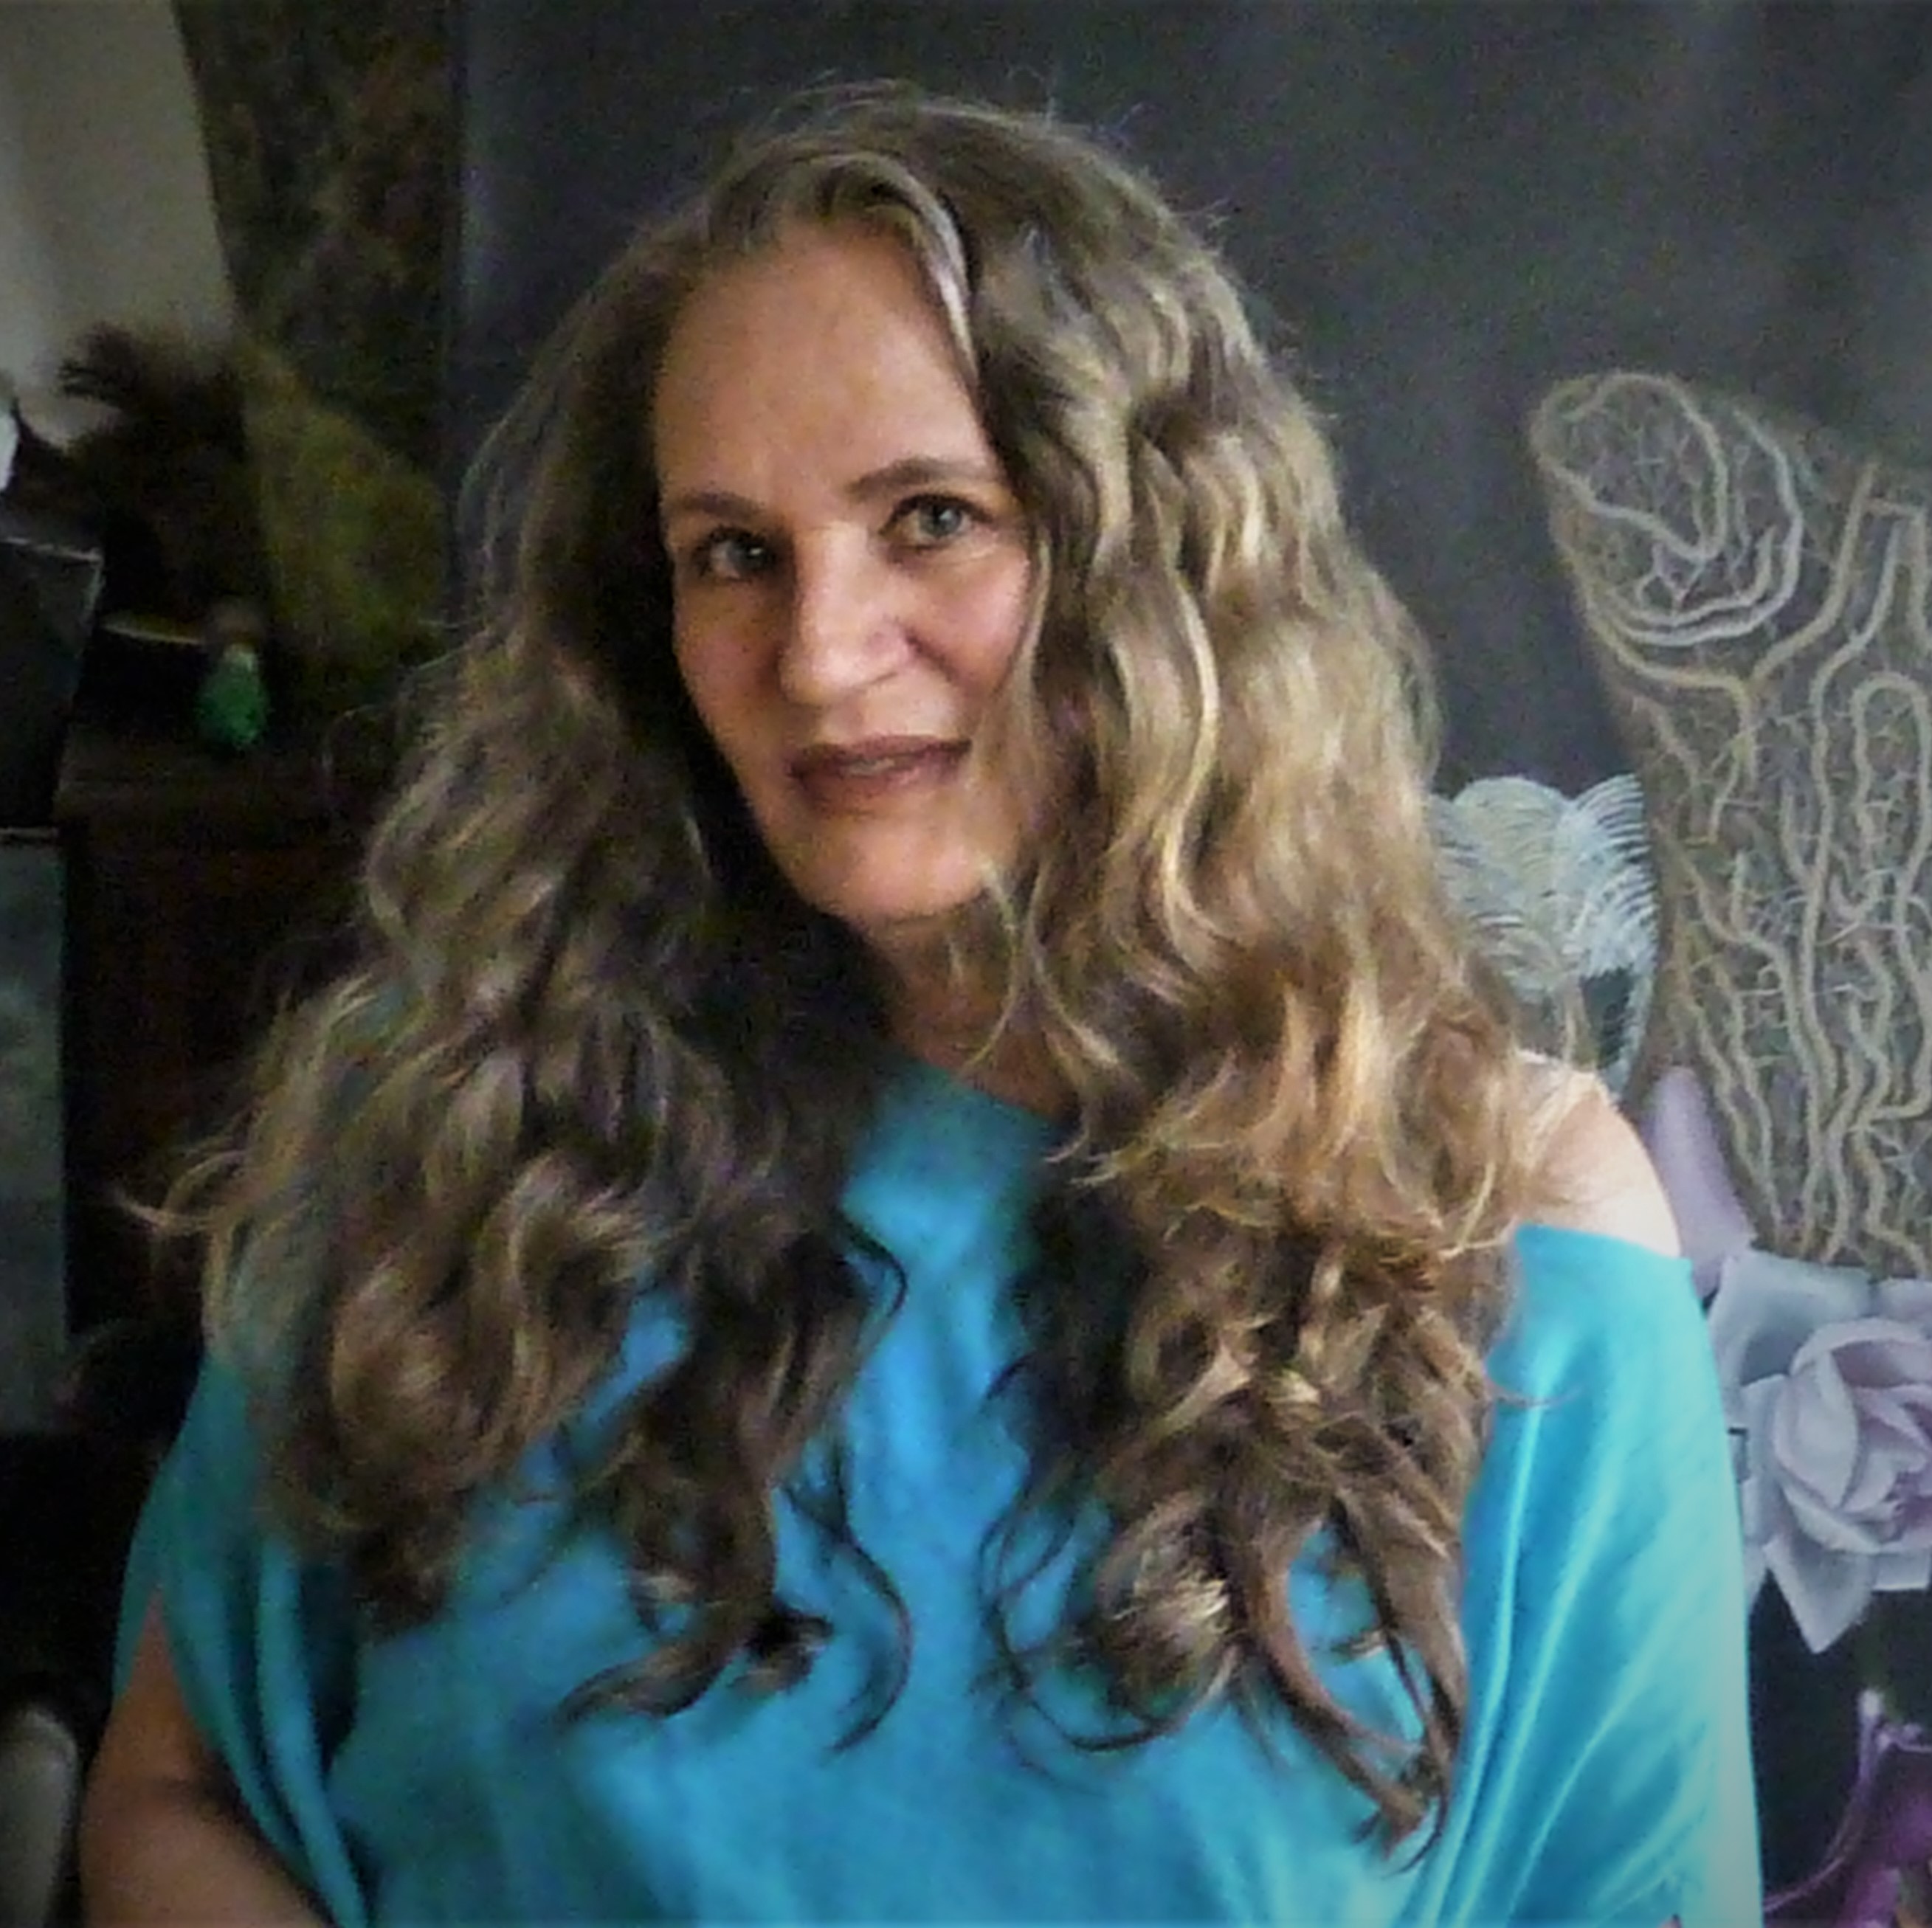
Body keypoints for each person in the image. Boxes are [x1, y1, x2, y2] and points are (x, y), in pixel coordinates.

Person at [80, 85, 1759, 1926]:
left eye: (932, 519)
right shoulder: (454, 1126)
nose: (817, 653)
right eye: (733, 553)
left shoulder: (1498, 1227)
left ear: (1155, 561)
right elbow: (174, 1792)